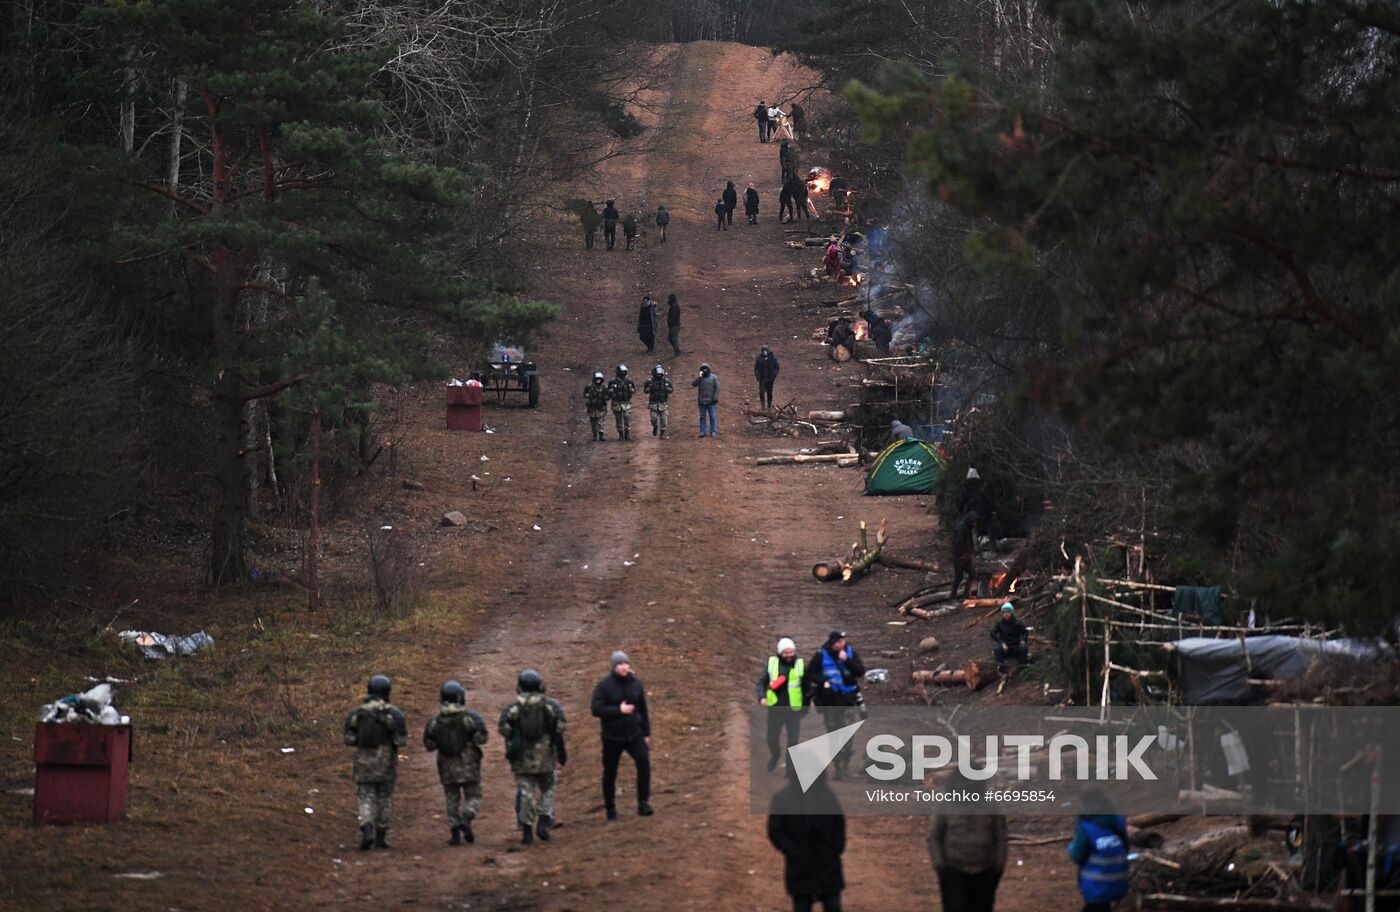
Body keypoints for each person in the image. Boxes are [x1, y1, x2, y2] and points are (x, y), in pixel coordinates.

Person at [498, 669, 567, 845]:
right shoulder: (549, 706)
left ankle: (527, 830)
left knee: (526, 793)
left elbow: (503, 729)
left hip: (522, 758)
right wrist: (559, 750)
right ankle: (544, 819)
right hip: (546, 756)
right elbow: (560, 727)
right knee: (548, 789)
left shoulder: (513, 708)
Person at [343, 674, 408, 851]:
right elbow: (401, 741)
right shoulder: (394, 714)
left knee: (365, 796)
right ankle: (381, 836)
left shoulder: (357, 714)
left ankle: (366, 828)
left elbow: (349, 739)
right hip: (386, 761)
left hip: (363, 760)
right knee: (383, 797)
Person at [768, 766, 846, 912]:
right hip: (800, 867)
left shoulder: (827, 795)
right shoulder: (782, 798)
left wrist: (836, 847)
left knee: (833, 906)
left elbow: (839, 823)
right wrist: (793, 851)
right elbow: (775, 831)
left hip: (828, 865)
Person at [927, 774, 1008, 912]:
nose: (968, 784)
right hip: (954, 870)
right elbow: (934, 837)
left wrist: (998, 867)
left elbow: (1001, 837)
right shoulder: (946, 804)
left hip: (985, 870)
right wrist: (940, 866)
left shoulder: (991, 804)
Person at [423, 679, 488, 846]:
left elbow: (429, 745)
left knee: (451, 798)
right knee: (473, 795)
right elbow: (482, 739)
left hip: (446, 765)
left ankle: (455, 834)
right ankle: (467, 818)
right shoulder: (469, 718)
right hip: (469, 763)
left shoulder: (435, 721)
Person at [591, 650, 652, 820]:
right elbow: (596, 709)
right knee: (610, 772)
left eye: (626, 663)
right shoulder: (604, 686)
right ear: (613, 667)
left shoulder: (636, 684)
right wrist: (619, 710)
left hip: (634, 734)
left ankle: (643, 803)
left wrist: (646, 733)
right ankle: (610, 809)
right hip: (612, 737)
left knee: (644, 763)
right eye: (620, 664)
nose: (624, 667)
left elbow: (643, 710)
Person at [806, 631, 865, 779]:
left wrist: (847, 660)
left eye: (843, 641)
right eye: (838, 641)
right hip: (830, 702)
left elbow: (860, 671)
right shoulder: (821, 655)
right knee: (833, 735)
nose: (841, 644)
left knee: (847, 735)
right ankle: (838, 768)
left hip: (848, 701)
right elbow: (810, 673)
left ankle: (845, 767)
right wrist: (823, 682)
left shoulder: (850, 653)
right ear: (832, 643)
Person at [1069, 801, 1131, 912]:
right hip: (1120, 883)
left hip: (1096, 886)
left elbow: (1077, 856)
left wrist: (1071, 847)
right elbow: (1126, 848)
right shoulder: (1118, 821)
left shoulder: (1086, 826)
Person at [757, 636, 806, 772]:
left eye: (791, 652)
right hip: (775, 710)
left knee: (793, 742)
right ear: (780, 653)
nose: (789, 655)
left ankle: (790, 768)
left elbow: (807, 685)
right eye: (786, 652)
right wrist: (762, 697)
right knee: (772, 739)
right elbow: (761, 682)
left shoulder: (800, 664)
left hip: (793, 710)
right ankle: (775, 755)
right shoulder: (771, 663)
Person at [991, 603, 1029, 674]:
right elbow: (992, 633)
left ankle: (1022, 668)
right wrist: (1001, 643)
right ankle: (1002, 669)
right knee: (997, 649)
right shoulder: (999, 623)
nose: (1006, 614)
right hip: (1004, 646)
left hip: (1015, 645)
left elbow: (1025, 632)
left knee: (1023, 648)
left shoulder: (1017, 622)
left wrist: (1023, 640)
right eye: (1004, 612)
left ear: (1011, 613)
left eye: (1008, 612)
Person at [950, 511, 979, 600]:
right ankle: (953, 596)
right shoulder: (961, 528)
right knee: (958, 577)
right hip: (959, 556)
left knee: (972, 574)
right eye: (974, 522)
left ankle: (966, 594)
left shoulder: (968, 528)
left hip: (966, 556)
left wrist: (970, 552)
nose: (975, 524)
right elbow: (958, 542)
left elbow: (969, 541)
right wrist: (962, 554)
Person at [607, 363, 635, 441]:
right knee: (618, 419)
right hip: (616, 403)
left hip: (626, 402)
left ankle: (627, 433)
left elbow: (633, 390)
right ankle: (621, 434)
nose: (623, 373)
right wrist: (611, 392)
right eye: (622, 372)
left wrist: (631, 390)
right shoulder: (612, 382)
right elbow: (608, 392)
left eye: (624, 372)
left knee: (627, 418)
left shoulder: (629, 381)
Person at [692, 362, 720, 438]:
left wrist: (715, 398)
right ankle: (702, 431)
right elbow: (693, 384)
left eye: (706, 369)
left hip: (711, 401)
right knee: (702, 417)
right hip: (701, 401)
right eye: (703, 369)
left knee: (712, 416)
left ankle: (713, 431)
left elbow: (717, 388)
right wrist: (699, 377)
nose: (704, 370)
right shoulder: (700, 378)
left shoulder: (714, 377)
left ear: (709, 369)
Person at [644, 365, 673, 438]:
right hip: (653, 403)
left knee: (664, 420)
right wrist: (649, 388)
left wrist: (667, 389)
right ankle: (655, 426)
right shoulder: (650, 381)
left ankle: (662, 432)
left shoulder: (666, 381)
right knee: (654, 418)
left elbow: (671, 389)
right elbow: (645, 390)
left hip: (663, 403)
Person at [584, 371, 609, 442]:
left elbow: (608, 396)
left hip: (601, 408)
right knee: (593, 423)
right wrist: (589, 397)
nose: (598, 381)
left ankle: (601, 435)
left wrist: (604, 397)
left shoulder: (604, 388)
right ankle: (595, 435)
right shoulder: (589, 387)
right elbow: (585, 395)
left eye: (599, 379)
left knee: (600, 422)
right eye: (597, 379)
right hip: (592, 408)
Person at [754, 345, 780, 410]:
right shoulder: (759, 359)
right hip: (762, 379)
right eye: (763, 350)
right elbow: (756, 368)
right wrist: (757, 375)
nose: (764, 352)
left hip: (770, 379)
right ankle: (763, 406)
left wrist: (774, 375)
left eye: (765, 350)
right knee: (761, 392)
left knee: (769, 393)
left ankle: (769, 406)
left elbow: (777, 367)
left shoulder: (772, 358)